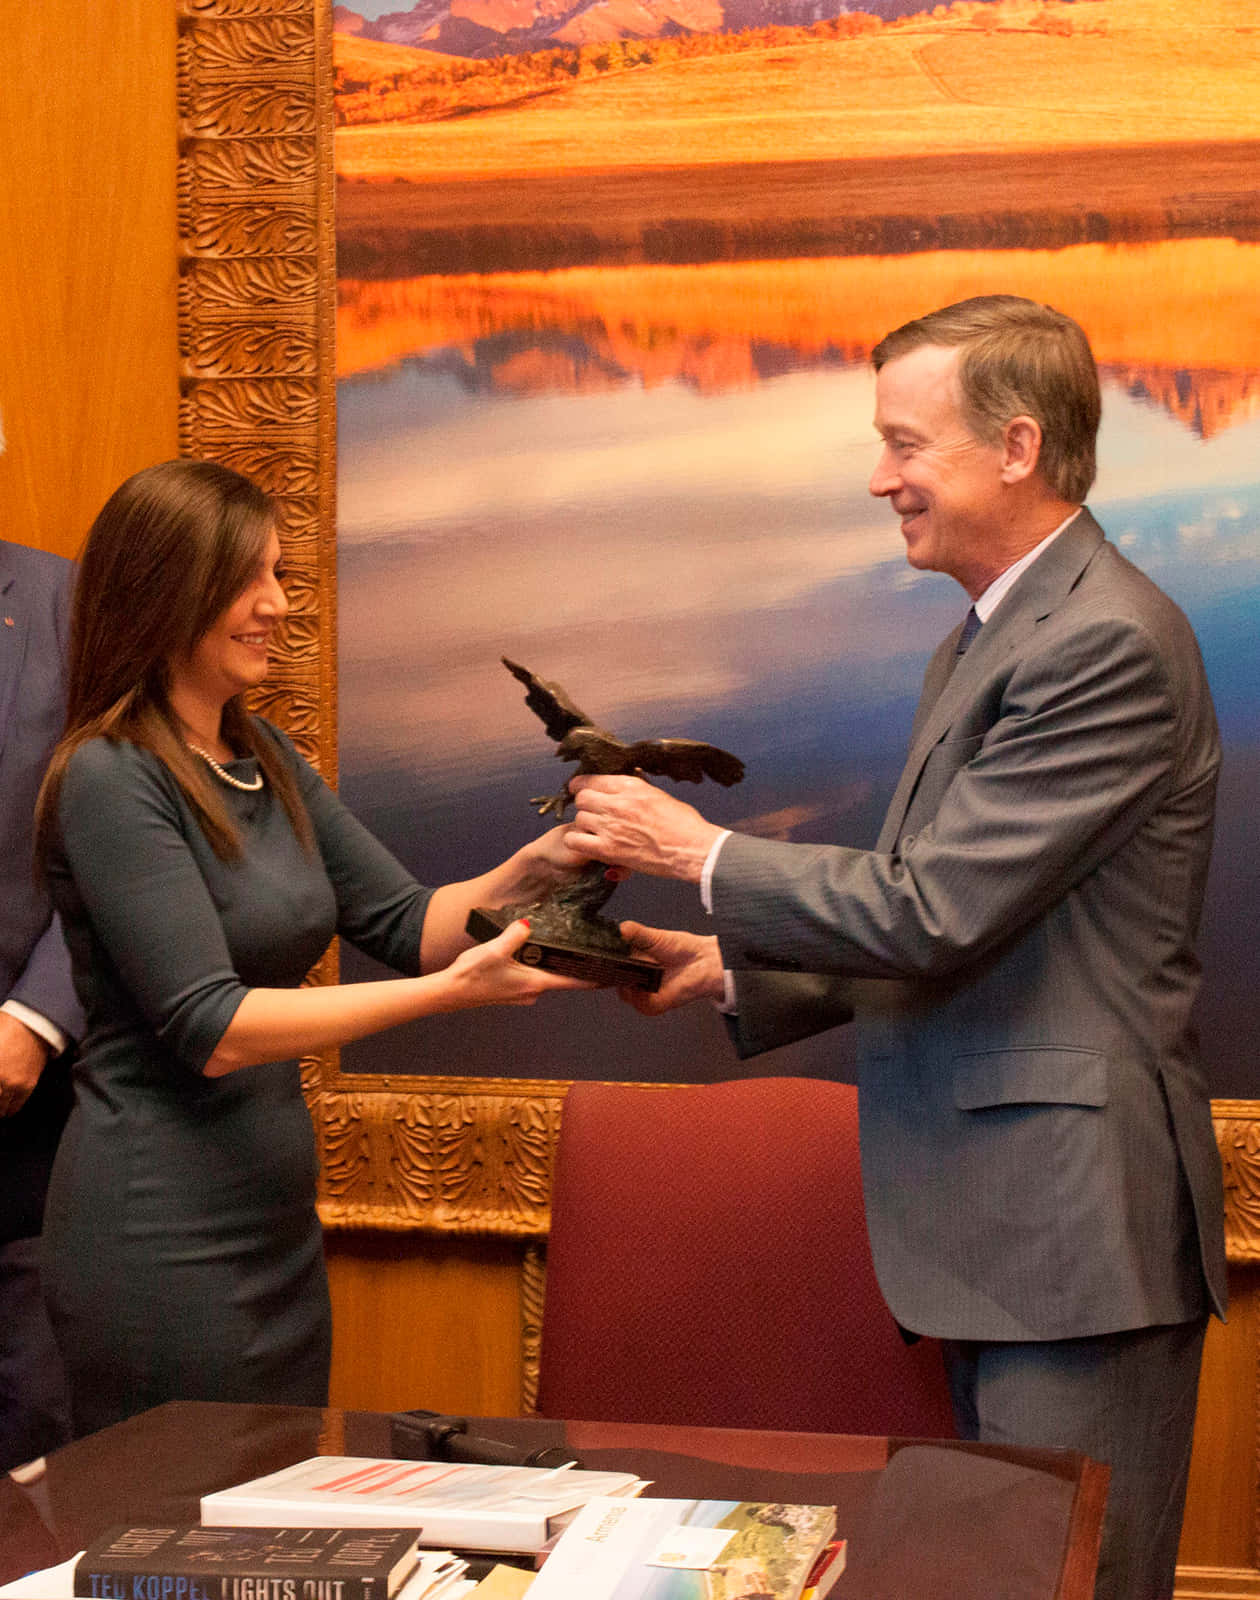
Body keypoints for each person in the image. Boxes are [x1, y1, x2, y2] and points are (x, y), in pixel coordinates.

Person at [563, 295, 1227, 1600]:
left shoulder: (1101, 643)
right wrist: (733, 970)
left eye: (906, 445)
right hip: (996, 1241)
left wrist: (694, 850)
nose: (881, 478)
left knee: (1061, 1587)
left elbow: (933, 907)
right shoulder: (987, 638)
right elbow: (973, 926)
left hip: (1069, 1246)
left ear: (1017, 448)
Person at [34, 458, 589, 1440]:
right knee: (171, 1553)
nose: (277, 605)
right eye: (248, 580)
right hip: (160, 1243)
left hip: (276, 1237)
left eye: (280, 576)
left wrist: (548, 864)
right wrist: (451, 995)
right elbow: (213, 1026)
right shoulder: (112, 778)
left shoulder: (267, 758)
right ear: (168, 593)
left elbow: (406, 920)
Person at [0, 537, 83, 1474]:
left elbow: (117, 831)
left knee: (37, 1456)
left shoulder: (65, 600)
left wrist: (35, 1018)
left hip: (25, 1128)